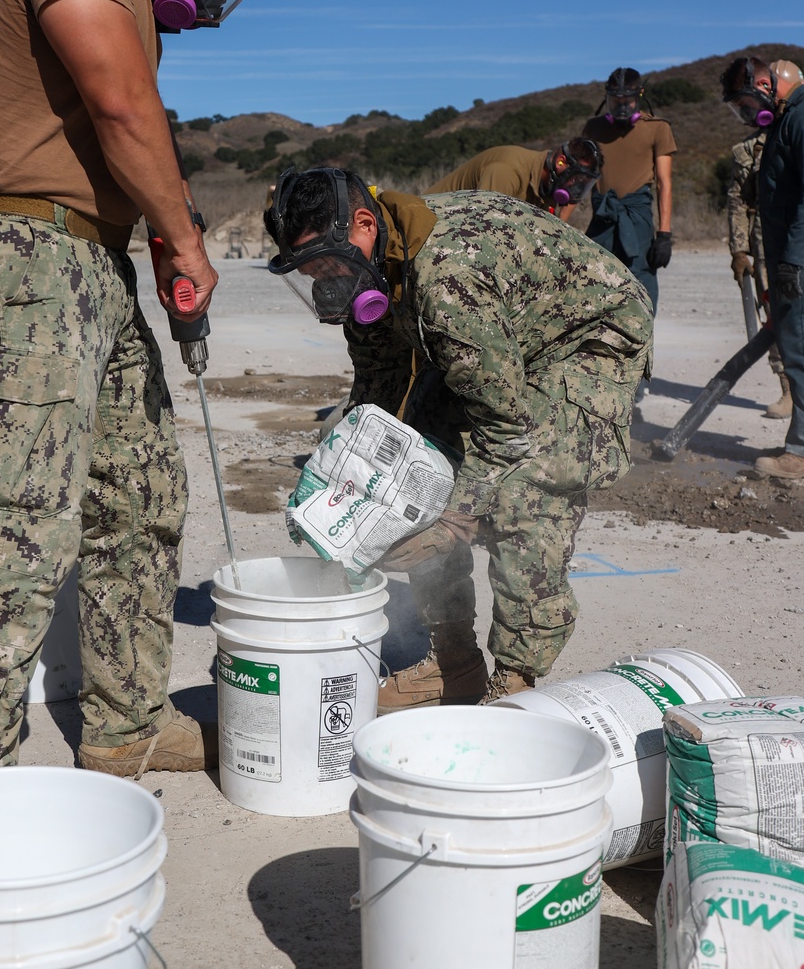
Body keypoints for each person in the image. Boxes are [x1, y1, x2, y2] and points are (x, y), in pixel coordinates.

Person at [0, 0, 314, 784]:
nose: (209, 2)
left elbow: (126, 141)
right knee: (20, 522)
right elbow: (122, 105)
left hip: (92, 263)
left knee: (141, 499)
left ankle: (124, 729)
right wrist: (190, 240)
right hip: (24, 260)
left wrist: (166, 230)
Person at [264, 168, 653, 705]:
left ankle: (516, 681)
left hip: (586, 336)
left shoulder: (447, 280)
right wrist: (341, 478)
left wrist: (454, 518)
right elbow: (379, 395)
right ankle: (453, 663)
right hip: (500, 334)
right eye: (308, 271)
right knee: (416, 468)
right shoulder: (367, 270)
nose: (322, 281)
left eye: (326, 264)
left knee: (528, 487)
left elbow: (506, 428)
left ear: (362, 225)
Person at [561, 68, 676, 312]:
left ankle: (640, 342)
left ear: (639, 98)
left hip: (638, 217)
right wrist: (557, 226)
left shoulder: (658, 128)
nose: (622, 108)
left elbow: (665, 182)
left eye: (628, 102)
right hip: (603, 217)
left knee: (640, 282)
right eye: (616, 102)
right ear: (607, 99)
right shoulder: (593, 128)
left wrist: (664, 235)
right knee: (595, 281)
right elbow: (579, 181)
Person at [719, 55, 791, 420]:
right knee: (775, 319)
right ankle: (788, 389)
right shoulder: (747, 151)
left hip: (797, 239)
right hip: (765, 245)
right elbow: (738, 202)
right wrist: (739, 251)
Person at [755, 57, 804, 479]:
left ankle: (800, 454)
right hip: (788, 254)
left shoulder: (800, 120)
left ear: (776, 86)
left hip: (797, 260)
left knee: (800, 353)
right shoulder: (786, 122)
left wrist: (793, 259)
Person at [432, 136, 603, 213]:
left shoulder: (547, 188)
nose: (575, 187)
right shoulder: (507, 171)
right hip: (428, 226)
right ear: (560, 162)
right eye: (576, 179)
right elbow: (483, 228)